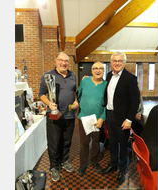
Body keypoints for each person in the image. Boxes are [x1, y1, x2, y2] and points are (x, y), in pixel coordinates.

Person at [38, 52, 79, 182]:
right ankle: (54, 167)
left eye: (66, 61)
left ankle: (64, 161)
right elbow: (41, 94)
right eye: (61, 60)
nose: (64, 63)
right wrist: (49, 103)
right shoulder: (48, 75)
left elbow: (75, 92)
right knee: (54, 142)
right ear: (56, 61)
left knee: (67, 141)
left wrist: (76, 102)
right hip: (54, 115)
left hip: (69, 115)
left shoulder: (73, 75)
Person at [102, 51, 140, 184]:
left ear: (124, 62)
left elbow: (135, 101)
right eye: (114, 61)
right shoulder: (108, 75)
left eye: (119, 61)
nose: (117, 63)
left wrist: (129, 120)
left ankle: (122, 169)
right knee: (112, 143)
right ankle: (113, 164)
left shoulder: (130, 78)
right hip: (110, 115)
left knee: (123, 145)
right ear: (111, 62)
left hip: (123, 119)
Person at [76, 62, 107, 176]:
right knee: (84, 143)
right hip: (83, 118)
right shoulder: (85, 81)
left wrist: (102, 118)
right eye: (95, 68)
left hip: (97, 120)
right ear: (91, 70)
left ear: (103, 71)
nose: (98, 70)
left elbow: (107, 104)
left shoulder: (106, 85)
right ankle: (83, 165)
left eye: (100, 68)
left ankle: (94, 161)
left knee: (95, 142)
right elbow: (78, 96)